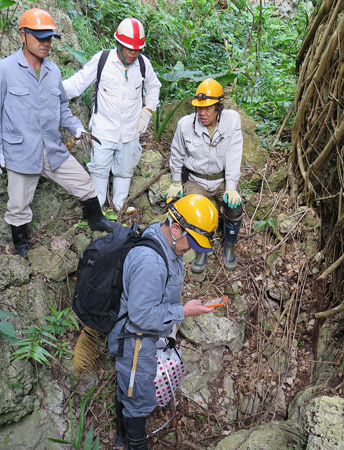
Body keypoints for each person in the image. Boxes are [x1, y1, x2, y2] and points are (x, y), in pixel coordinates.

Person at [0, 8, 118, 258]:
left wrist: (76, 126)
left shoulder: (53, 71)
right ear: (23, 35)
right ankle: (21, 246)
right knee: (18, 204)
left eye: (49, 38)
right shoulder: (4, 70)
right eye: (40, 37)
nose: (46, 44)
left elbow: (62, 108)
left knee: (85, 184)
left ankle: (97, 220)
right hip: (21, 151)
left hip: (52, 148)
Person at [107, 194, 218, 449]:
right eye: (191, 241)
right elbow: (141, 315)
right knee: (138, 398)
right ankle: (132, 443)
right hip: (135, 340)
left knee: (129, 387)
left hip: (145, 335)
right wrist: (183, 311)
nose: (191, 249)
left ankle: (120, 438)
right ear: (177, 228)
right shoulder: (151, 261)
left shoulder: (165, 238)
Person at [62, 17, 161, 212]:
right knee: (99, 170)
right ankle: (97, 210)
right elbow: (76, 84)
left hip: (131, 131)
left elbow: (154, 87)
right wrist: (50, 88)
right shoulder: (103, 60)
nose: (133, 53)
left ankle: (120, 206)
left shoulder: (143, 64)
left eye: (137, 49)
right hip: (103, 130)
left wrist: (147, 110)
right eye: (129, 48)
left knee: (125, 170)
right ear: (119, 44)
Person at [165, 78, 244, 273]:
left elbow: (234, 154)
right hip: (196, 180)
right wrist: (176, 181)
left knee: (234, 207)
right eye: (199, 108)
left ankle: (229, 246)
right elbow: (177, 154)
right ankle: (201, 251)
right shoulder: (185, 125)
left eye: (208, 108)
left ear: (219, 108)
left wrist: (232, 186)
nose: (202, 113)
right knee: (194, 211)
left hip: (221, 180)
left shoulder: (232, 120)